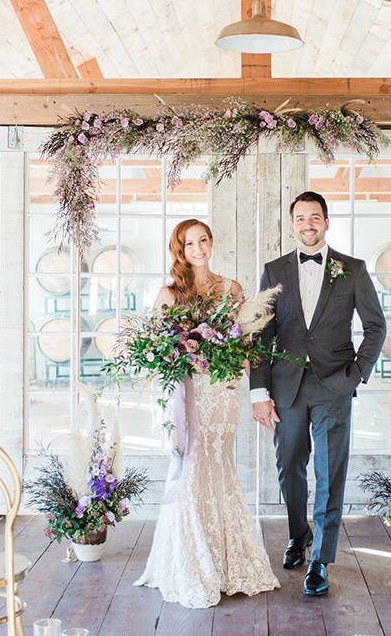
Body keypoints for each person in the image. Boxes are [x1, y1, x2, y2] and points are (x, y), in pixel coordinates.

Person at [134, 218, 280, 608]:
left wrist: (246, 377)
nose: (197, 248)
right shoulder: (169, 293)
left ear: (212, 243)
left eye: (203, 240)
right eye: (189, 243)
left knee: (219, 463)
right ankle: (190, 559)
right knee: (191, 464)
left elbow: (247, 344)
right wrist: (183, 354)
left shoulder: (231, 289)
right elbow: (156, 351)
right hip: (189, 394)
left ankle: (227, 559)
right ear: (179, 250)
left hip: (223, 390)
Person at [250, 191, 386, 596]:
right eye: (300, 218)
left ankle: (321, 560)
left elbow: (375, 326)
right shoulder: (273, 270)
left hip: (334, 385)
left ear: (326, 222)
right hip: (285, 385)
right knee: (289, 463)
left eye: (315, 217)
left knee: (329, 473)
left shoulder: (354, 269)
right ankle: (298, 535)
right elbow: (259, 333)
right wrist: (259, 391)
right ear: (292, 225)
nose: (307, 225)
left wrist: (356, 374)